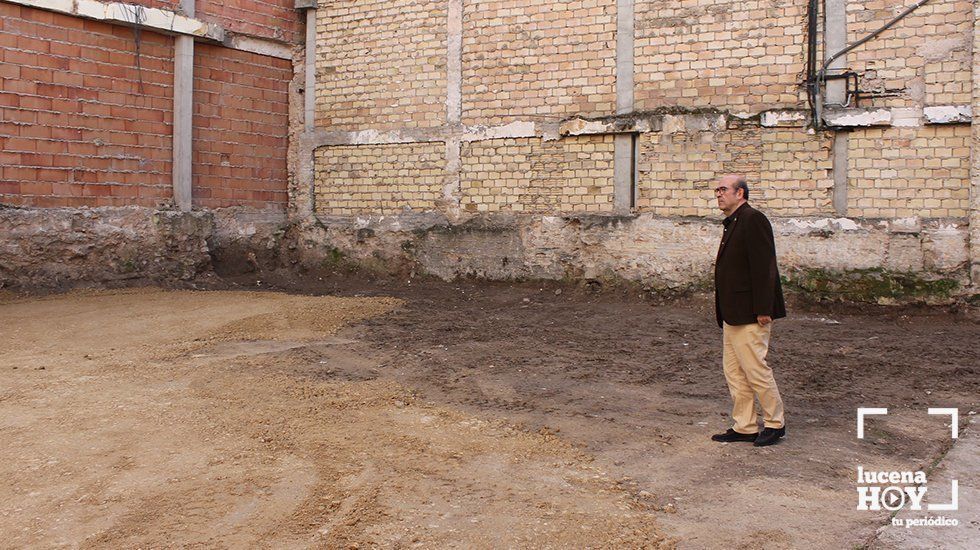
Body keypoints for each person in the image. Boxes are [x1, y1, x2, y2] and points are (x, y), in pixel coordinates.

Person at [710, 175, 787, 447]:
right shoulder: (733, 222)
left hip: (751, 313)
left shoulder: (753, 219)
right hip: (732, 312)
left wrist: (764, 309)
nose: (718, 194)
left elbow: (765, 266)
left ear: (740, 193)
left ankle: (775, 423)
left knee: (755, 369)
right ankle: (745, 425)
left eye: (723, 189)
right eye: (716, 190)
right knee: (734, 371)